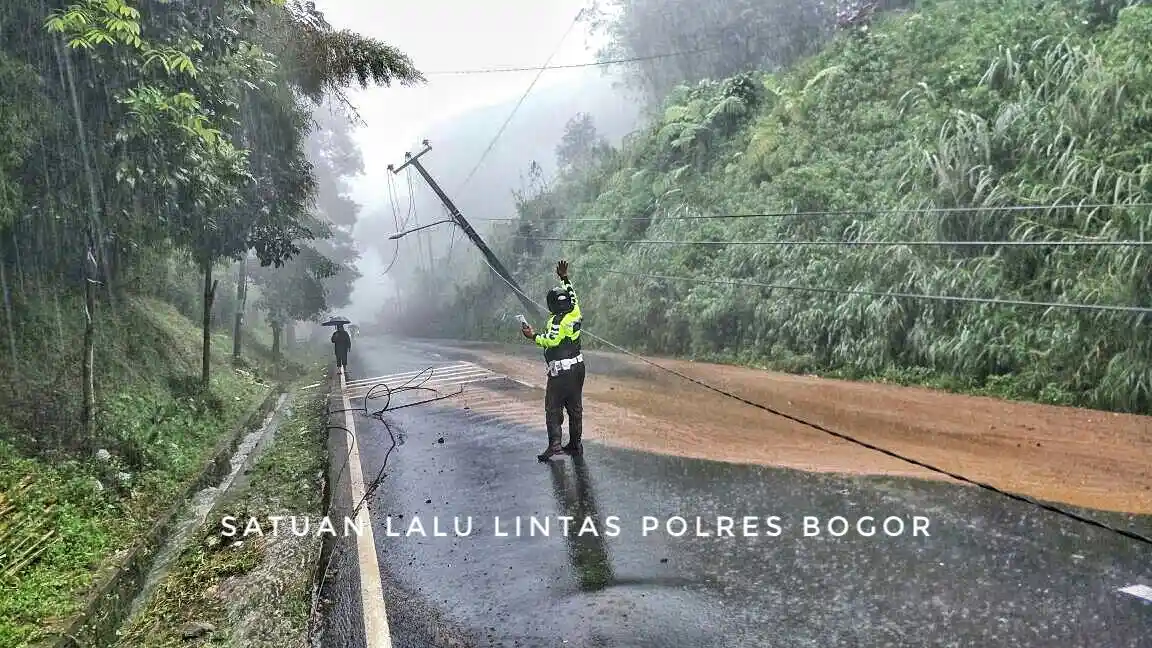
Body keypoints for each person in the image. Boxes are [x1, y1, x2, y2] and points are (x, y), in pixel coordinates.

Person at [521, 259, 585, 461]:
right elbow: (572, 295)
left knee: (553, 407)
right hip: (578, 368)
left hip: (561, 372)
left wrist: (532, 336)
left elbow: (551, 340)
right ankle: (575, 444)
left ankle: (555, 445)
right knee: (575, 407)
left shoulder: (557, 321)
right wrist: (564, 277)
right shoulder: (574, 310)